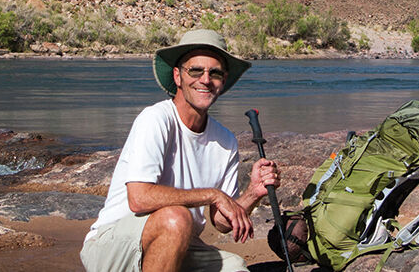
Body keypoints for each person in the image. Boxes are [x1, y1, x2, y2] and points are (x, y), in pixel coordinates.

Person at [80, 29, 282, 272]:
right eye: (196, 70)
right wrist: (212, 194)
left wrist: (253, 192)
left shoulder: (226, 140)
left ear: (223, 81)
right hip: (113, 246)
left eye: (215, 73)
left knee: (235, 268)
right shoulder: (155, 119)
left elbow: (220, 223)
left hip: (180, 242)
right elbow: (139, 198)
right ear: (178, 76)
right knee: (177, 218)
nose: (205, 80)